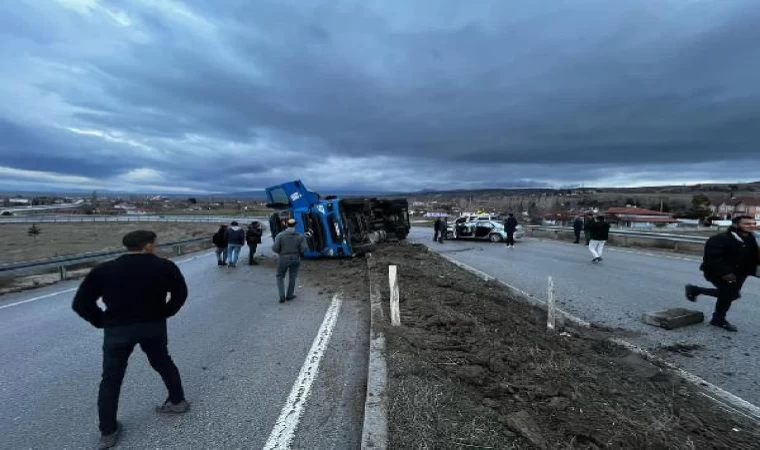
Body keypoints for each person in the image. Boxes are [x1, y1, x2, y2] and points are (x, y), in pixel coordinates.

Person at [71, 230, 189, 450]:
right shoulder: (165, 267)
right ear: (147, 246)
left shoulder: (104, 270)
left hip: (117, 331)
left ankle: (108, 431)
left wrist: (102, 321)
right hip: (153, 326)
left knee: (111, 379)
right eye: (154, 243)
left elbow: (81, 303)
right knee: (163, 363)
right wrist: (165, 312)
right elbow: (180, 294)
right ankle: (177, 401)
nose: (155, 247)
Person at [685, 216, 759, 332]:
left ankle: (716, 318)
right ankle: (716, 316)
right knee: (731, 294)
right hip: (717, 272)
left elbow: (753, 257)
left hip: (740, 273)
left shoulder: (751, 239)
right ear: (736, 225)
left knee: (728, 295)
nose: (751, 226)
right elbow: (712, 258)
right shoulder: (720, 239)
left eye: (753, 223)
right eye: (747, 224)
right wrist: (725, 273)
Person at [272, 218, 308, 303]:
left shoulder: (280, 235)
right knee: (293, 277)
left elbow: (275, 248)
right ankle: (289, 295)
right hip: (295, 258)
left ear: (286, 225)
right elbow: (304, 249)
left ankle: (281, 296)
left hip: (283, 258)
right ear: (295, 225)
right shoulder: (300, 236)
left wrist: (281, 252)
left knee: (280, 276)